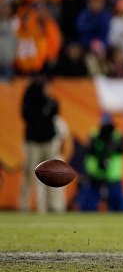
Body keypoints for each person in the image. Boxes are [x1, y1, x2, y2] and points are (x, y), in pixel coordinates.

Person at [20, 74, 67, 213]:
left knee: (52, 175)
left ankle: (54, 206)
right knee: (29, 174)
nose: (48, 88)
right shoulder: (30, 100)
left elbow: (52, 116)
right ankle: (24, 205)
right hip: (32, 142)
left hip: (48, 142)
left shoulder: (52, 102)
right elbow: (27, 115)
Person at [78, 113, 123, 211]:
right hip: (95, 177)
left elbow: (122, 150)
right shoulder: (94, 135)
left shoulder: (118, 136)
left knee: (120, 209)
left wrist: (112, 145)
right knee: (87, 208)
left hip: (113, 178)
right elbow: (88, 150)